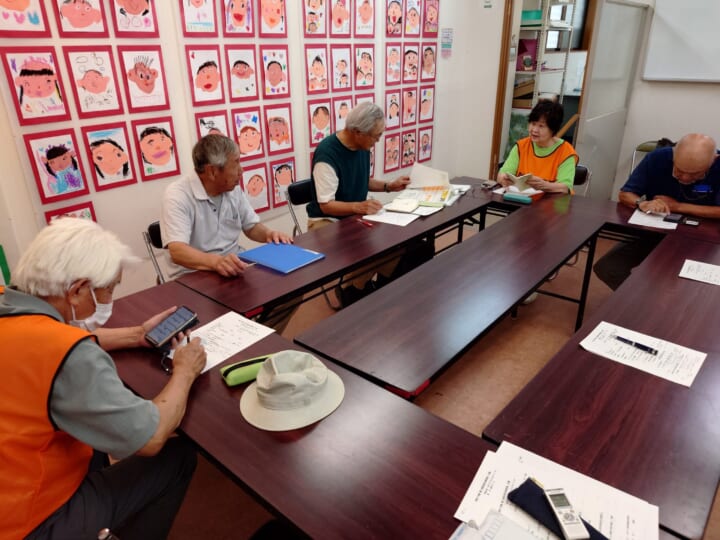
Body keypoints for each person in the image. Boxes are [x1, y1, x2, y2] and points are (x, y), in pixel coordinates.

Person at [0, 217, 207, 539]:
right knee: (176, 457)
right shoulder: (69, 354)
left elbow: (49, 340)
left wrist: (137, 334)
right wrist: (185, 370)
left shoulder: (9, 305)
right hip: (29, 523)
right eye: (109, 290)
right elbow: (151, 438)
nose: (109, 299)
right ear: (77, 290)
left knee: (94, 447)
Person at [161, 134, 295, 331]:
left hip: (235, 268)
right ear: (212, 171)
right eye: (236, 163)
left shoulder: (232, 188)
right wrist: (216, 262)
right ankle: (251, 336)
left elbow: (251, 226)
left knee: (291, 291)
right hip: (194, 275)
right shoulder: (178, 195)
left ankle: (261, 337)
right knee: (225, 319)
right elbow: (177, 251)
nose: (241, 170)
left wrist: (269, 234)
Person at [306, 102, 432, 306]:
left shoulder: (361, 146)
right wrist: (359, 206)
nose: (378, 140)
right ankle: (353, 290)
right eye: (376, 136)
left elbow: (362, 180)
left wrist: (389, 186)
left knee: (411, 246)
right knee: (373, 247)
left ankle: (359, 288)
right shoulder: (327, 154)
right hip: (326, 221)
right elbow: (326, 205)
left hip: (354, 216)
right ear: (358, 132)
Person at [594, 133, 720, 290]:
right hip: (656, 232)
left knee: (695, 287)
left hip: (702, 240)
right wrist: (642, 203)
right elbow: (625, 194)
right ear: (673, 154)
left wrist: (678, 206)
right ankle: (637, 301)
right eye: (679, 170)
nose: (685, 178)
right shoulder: (657, 159)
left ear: (714, 160)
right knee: (608, 268)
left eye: (695, 174)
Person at [497, 99, 578, 195]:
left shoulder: (566, 152)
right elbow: (502, 174)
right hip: (521, 199)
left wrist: (545, 185)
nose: (534, 130)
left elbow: (565, 187)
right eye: (533, 123)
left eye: (541, 126)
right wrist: (503, 179)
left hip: (552, 202)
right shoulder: (521, 146)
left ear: (553, 129)